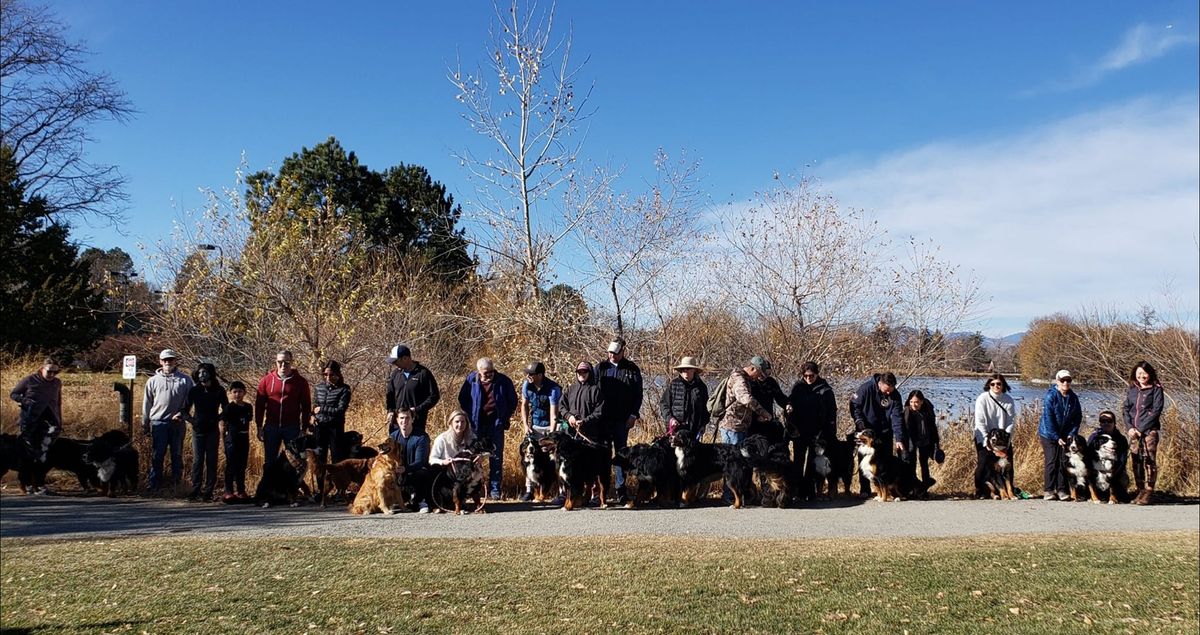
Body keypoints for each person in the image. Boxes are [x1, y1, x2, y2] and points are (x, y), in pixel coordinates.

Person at [457, 357, 517, 500]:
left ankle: (495, 489)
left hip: (496, 424)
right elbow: (462, 399)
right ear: (478, 371)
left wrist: (504, 417)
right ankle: (475, 489)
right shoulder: (471, 381)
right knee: (475, 457)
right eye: (485, 373)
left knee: (496, 457)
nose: (489, 375)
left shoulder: (503, 381)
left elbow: (513, 401)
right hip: (476, 424)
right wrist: (470, 415)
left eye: (491, 371)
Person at [596, 337, 643, 504]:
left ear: (623, 351)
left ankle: (621, 490)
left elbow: (638, 395)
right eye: (609, 352)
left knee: (621, 454)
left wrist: (633, 415)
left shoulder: (632, 369)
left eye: (615, 353)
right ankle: (602, 492)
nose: (612, 356)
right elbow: (593, 392)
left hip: (622, 420)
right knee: (603, 454)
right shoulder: (601, 368)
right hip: (604, 420)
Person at [142, 349, 194, 493]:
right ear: (160, 361)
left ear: (175, 361)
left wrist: (183, 414)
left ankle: (177, 484)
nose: (168, 362)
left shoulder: (185, 380)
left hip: (177, 423)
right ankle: (154, 484)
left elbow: (191, 401)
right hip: (158, 423)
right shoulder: (152, 381)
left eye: (170, 359)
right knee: (157, 455)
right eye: (165, 360)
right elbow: (147, 403)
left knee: (177, 454)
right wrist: (145, 424)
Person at [9, 358, 63, 494]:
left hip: (49, 424)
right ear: (42, 369)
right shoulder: (30, 380)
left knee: (44, 456)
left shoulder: (57, 383)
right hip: (30, 422)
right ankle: (27, 484)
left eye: (55, 372)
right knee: (29, 455)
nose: (52, 374)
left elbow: (58, 402)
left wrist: (59, 420)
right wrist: (25, 400)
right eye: (49, 371)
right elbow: (14, 394)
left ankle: (39, 484)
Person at [848, 372, 906, 496]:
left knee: (885, 465)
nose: (888, 393)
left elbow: (897, 418)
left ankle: (886, 491)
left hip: (885, 433)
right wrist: (859, 421)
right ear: (880, 384)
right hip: (867, 431)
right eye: (886, 390)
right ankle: (865, 490)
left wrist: (899, 438)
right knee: (864, 461)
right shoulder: (866, 388)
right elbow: (854, 406)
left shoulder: (895, 395)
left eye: (891, 390)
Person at [255, 350, 312, 470]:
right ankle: (269, 488)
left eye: (286, 362)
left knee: (294, 461)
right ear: (276, 362)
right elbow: (259, 405)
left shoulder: (300, 382)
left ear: (291, 362)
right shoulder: (266, 380)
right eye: (279, 362)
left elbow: (306, 406)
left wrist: (304, 428)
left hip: (291, 427)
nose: (283, 365)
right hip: (271, 427)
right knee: (270, 461)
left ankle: (290, 488)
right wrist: (259, 426)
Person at [1122, 360, 1165, 505]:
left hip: (1149, 431)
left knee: (1149, 461)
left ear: (1150, 374)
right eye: (1139, 373)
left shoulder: (1156, 389)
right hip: (1133, 431)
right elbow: (1126, 409)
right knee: (1136, 461)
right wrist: (1130, 428)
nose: (1141, 376)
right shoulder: (1132, 389)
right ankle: (1139, 490)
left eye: (1144, 373)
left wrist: (1141, 429)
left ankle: (1148, 491)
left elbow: (1156, 411)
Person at [184, 362, 227, 501]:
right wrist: (193, 421)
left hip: (212, 430)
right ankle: (195, 489)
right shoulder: (194, 390)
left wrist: (218, 419)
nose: (202, 375)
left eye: (205, 372)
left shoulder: (219, 390)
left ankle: (208, 491)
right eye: (200, 373)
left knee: (211, 460)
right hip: (197, 430)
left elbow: (226, 409)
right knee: (198, 460)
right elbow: (184, 410)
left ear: (211, 374)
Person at [1037, 369, 1082, 501]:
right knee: (1051, 461)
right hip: (1048, 434)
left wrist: (1072, 434)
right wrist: (1056, 437)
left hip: (1066, 434)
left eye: (1068, 380)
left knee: (1063, 461)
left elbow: (1077, 417)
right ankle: (1049, 490)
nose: (1066, 383)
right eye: (1063, 380)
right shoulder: (1051, 396)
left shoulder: (1073, 398)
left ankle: (1062, 489)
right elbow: (1048, 418)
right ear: (1057, 381)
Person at [973, 373, 1019, 499]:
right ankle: (980, 491)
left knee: (1007, 467)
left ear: (1003, 385)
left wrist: (1007, 438)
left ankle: (1009, 491)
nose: (996, 386)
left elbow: (1011, 421)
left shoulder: (1008, 400)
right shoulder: (982, 399)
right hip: (984, 437)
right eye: (992, 384)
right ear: (989, 385)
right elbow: (980, 421)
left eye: (999, 383)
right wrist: (987, 442)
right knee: (983, 466)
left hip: (1003, 439)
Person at [787, 360, 837, 470]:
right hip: (800, 431)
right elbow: (790, 400)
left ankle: (810, 486)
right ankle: (798, 486)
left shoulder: (826, 390)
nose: (808, 378)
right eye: (805, 376)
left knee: (813, 463)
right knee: (798, 461)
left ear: (817, 374)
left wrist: (831, 432)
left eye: (811, 375)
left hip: (817, 432)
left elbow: (832, 412)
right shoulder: (798, 387)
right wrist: (789, 405)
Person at [385, 344, 440, 437]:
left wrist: (417, 410)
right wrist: (390, 411)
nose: (394, 364)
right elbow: (390, 395)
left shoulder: (423, 373)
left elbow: (434, 396)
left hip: (416, 422)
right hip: (396, 422)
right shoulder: (395, 374)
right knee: (395, 449)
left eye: (396, 361)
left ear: (405, 358)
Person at [719, 357, 775, 447]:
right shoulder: (738, 379)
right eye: (759, 373)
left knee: (742, 459)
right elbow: (747, 399)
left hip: (742, 428)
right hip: (733, 428)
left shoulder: (746, 379)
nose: (759, 377)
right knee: (732, 460)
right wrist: (764, 414)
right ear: (753, 368)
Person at [389, 409, 432, 513]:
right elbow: (388, 457)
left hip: (415, 471)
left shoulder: (422, 437)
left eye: (408, 418)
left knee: (422, 473)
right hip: (399, 473)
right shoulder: (393, 437)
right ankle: (396, 501)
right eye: (402, 418)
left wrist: (405, 468)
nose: (404, 421)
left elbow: (420, 461)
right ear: (397, 420)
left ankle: (421, 501)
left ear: (413, 419)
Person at [659, 357, 710, 439]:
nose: (685, 371)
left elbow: (706, 408)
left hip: (694, 429)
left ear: (694, 370)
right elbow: (664, 404)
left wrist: (703, 424)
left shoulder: (701, 387)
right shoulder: (674, 384)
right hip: (676, 429)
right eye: (683, 369)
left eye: (688, 369)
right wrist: (670, 419)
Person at [220, 381, 253, 502]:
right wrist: (222, 440)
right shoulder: (229, 408)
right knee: (231, 465)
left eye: (240, 392)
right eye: (234, 392)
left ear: (244, 392)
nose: (237, 394)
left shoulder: (248, 407)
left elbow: (248, 420)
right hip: (232, 439)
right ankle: (228, 491)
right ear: (230, 393)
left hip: (243, 438)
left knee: (242, 465)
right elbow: (222, 423)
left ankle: (241, 490)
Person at [313, 360, 352, 462]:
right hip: (320, 426)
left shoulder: (344, 389)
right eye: (325, 374)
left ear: (337, 374)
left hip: (335, 427)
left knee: (337, 456)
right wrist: (312, 416)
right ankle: (321, 478)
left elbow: (341, 410)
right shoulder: (318, 387)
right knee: (319, 457)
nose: (328, 377)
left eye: (331, 374)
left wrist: (322, 409)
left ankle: (336, 478)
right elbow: (314, 405)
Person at [903, 389, 940, 493]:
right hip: (911, 440)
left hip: (925, 440)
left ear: (922, 401)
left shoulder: (928, 410)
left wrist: (936, 443)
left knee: (924, 463)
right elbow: (903, 429)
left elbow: (933, 427)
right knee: (911, 463)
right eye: (911, 402)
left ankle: (925, 487)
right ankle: (912, 488)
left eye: (916, 402)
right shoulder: (906, 412)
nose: (914, 405)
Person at [560, 361, 606, 440]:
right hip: (571, 432)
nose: (581, 374)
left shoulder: (595, 390)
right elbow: (561, 405)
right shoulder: (571, 388)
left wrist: (584, 421)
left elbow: (599, 412)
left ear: (590, 373)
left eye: (584, 371)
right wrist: (569, 416)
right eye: (579, 372)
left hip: (589, 434)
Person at [747, 356, 788, 439]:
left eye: (768, 374)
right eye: (763, 373)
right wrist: (757, 416)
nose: (765, 376)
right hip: (752, 423)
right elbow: (747, 401)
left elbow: (780, 398)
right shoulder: (749, 383)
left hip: (767, 420)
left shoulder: (771, 382)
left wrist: (788, 404)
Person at [520, 361, 561, 437]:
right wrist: (526, 426)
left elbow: (554, 415)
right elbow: (524, 405)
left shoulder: (553, 389)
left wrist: (552, 434)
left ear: (540, 375)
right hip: (535, 426)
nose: (528, 376)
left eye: (531, 374)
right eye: (527, 373)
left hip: (551, 426)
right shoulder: (526, 385)